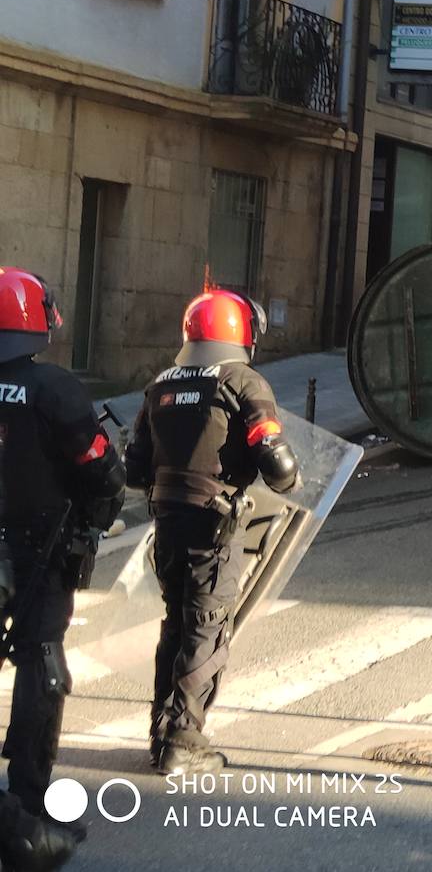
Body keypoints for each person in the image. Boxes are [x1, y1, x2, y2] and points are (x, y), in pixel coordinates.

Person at [124, 289, 299, 775]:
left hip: (167, 521)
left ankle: (162, 731)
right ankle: (184, 740)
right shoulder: (242, 381)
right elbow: (277, 461)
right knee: (206, 626)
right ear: (241, 332)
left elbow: (134, 467)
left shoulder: (160, 384)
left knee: (176, 623)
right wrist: (288, 479)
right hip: (213, 522)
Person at [0, 267, 126, 870]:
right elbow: (99, 466)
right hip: (37, 554)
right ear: (36, 318)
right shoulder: (52, 388)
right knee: (41, 668)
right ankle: (26, 805)